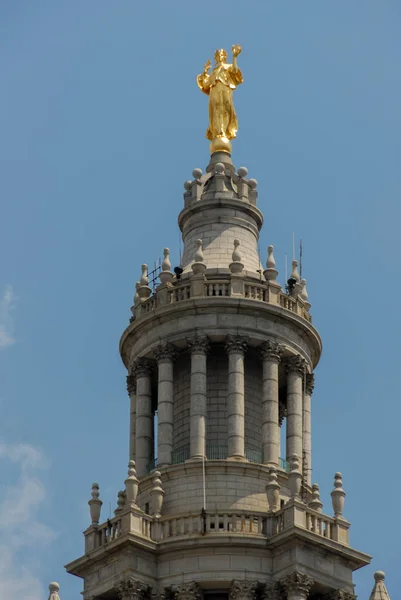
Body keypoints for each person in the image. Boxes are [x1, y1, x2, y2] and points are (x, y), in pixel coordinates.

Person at [197, 46, 243, 144]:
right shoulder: (213, 72)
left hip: (225, 88)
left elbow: (235, 71)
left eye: (221, 55)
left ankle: (225, 131)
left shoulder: (227, 67)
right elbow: (205, 85)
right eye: (217, 55)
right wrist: (205, 72)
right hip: (215, 89)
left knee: (226, 108)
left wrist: (234, 57)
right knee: (216, 109)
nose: (219, 56)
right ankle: (219, 131)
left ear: (225, 56)